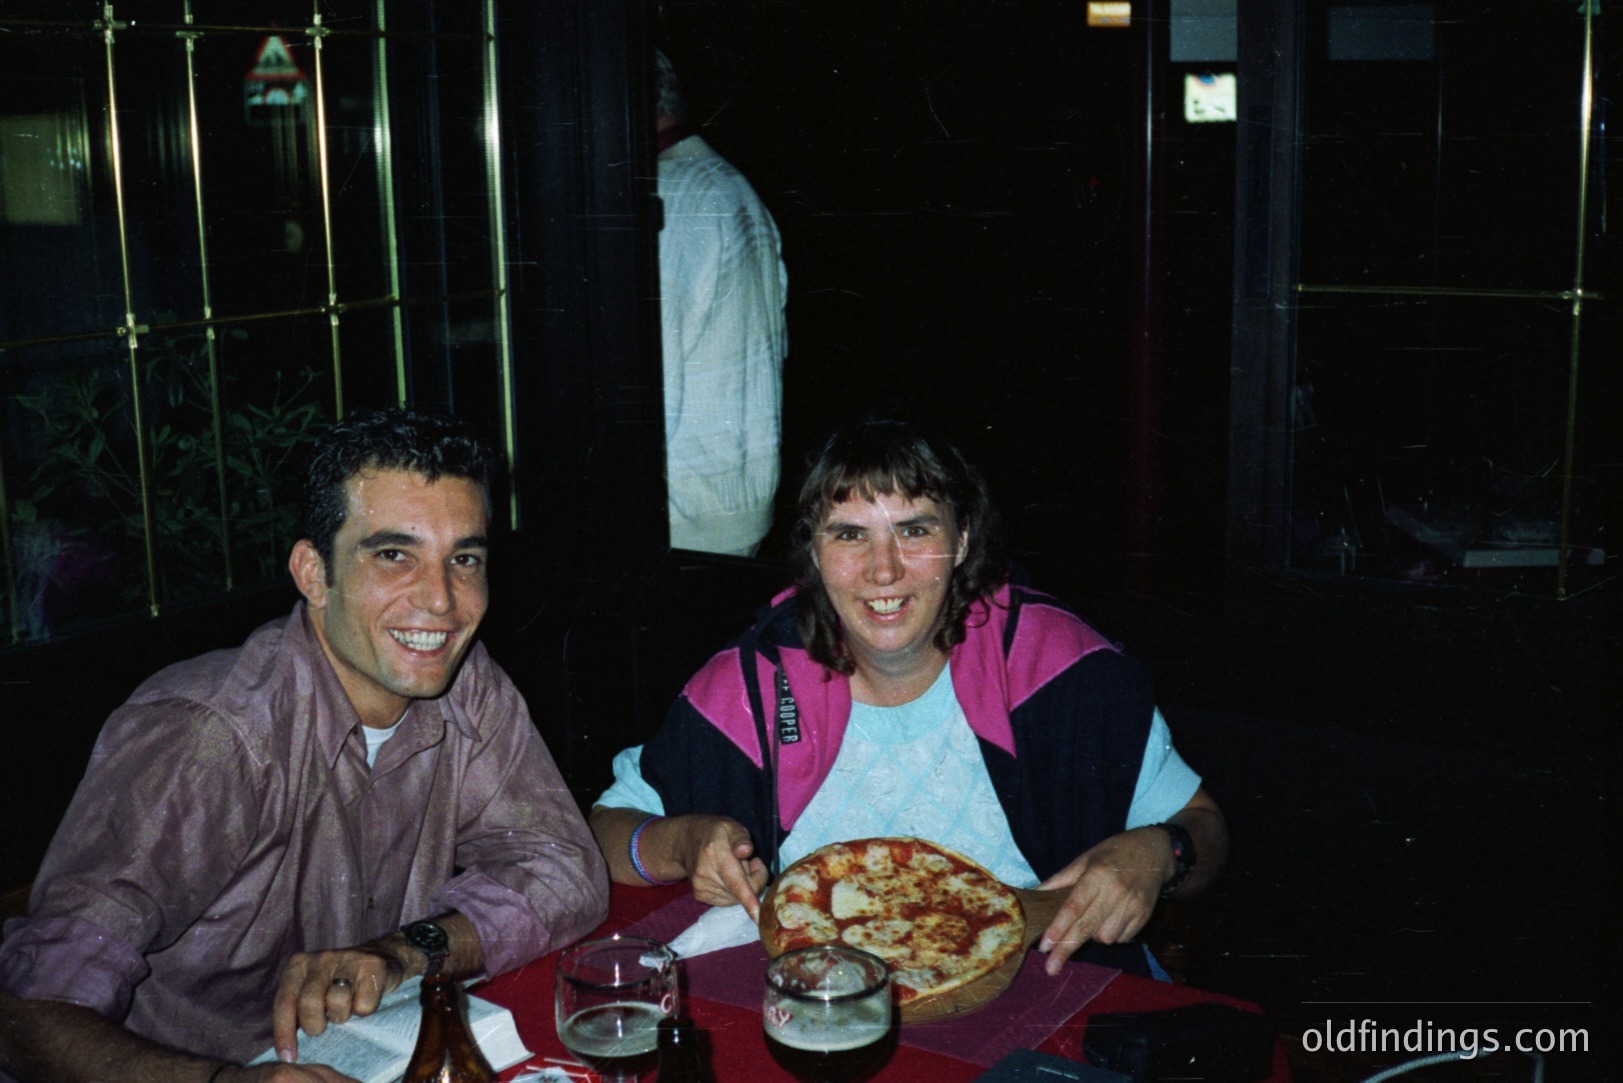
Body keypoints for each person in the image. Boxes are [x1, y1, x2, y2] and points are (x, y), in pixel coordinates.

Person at [0, 409, 609, 1082]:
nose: (441, 600)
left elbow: (563, 870)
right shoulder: (209, 736)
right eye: (393, 555)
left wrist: (405, 950)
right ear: (313, 573)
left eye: (463, 559)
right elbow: (28, 1011)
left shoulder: (468, 685)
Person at [591, 418, 1227, 977]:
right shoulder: (752, 683)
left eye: (915, 530)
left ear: (963, 539)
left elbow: (1206, 829)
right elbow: (606, 832)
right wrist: (687, 842)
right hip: (827, 1006)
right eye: (849, 535)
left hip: (1042, 991)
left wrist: (1159, 853)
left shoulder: (1057, 666)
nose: (884, 570)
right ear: (813, 551)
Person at [655, 50, 789, 556]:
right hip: (740, 503)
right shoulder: (729, 182)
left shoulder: (669, 195)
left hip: (683, 517)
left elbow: (649, 377)